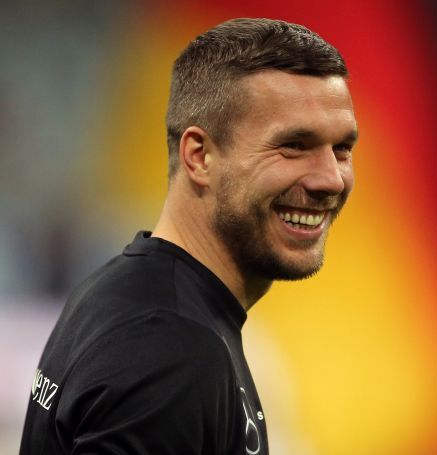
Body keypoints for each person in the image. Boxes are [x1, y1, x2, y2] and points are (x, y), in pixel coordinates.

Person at [20, 18, 357, 455]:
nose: (331, 179)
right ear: (199, 156)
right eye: (293, 145)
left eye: (342, 148)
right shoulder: (170, 349)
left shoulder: (129, 295)